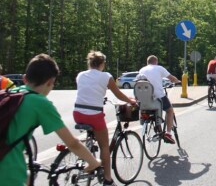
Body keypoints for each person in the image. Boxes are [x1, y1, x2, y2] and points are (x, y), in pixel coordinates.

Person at [0, 54, 101, 186]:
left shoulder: (9, 94)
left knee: (28, 175)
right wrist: (93, 162)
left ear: (25, 79)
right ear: (49, 82)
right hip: (8, 174)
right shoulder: (40, 102)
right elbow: (72, 143)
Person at [73, 51, 136, 186]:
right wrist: (131, 101)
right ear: (102, 64)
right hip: (94, 115)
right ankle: (108, 179)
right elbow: (118, 94)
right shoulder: (106, 76)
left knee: (92, 135)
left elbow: (87, 92)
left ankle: (89, 156)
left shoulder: (80, 75)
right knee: (104, 146)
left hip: (77, 113)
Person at [138, 55, 181, 145]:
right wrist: (177, 81)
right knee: (169, 111)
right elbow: (171, 78)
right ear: (156, 62)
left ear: (147, 62)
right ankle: (168, 134)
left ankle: (157, 126)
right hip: (158, 96)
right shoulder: (159, 68)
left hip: (144, 98)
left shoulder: (141, 70)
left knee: (151, 108)